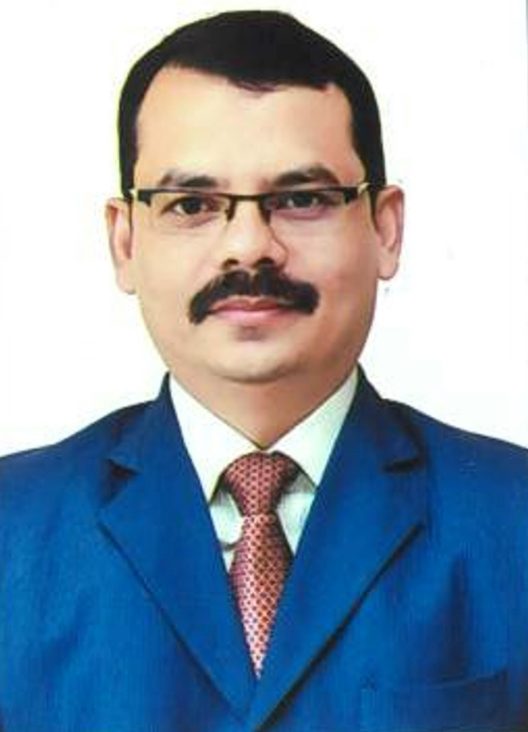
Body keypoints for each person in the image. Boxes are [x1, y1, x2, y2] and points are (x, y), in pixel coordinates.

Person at [1, 10, 527, 732]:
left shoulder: (513, 519)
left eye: (302, 199)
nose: (249, 247)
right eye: (192, 204)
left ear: (385, 228)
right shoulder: (13, 530)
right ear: (125, 242)